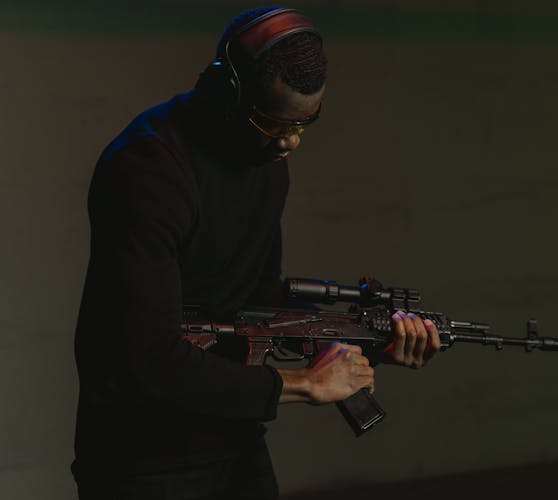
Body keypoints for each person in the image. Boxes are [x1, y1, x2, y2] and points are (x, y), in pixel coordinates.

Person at [72, 6, 440, 500]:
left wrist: (366, 341)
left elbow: (259, 302)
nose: (290, 142)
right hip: (143, 457)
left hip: (232, 437)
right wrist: (304, 383)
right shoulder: (148, 170)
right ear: (228, 93)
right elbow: (147, 359)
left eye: (306, 122)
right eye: (272, 122)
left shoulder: (267, 162)